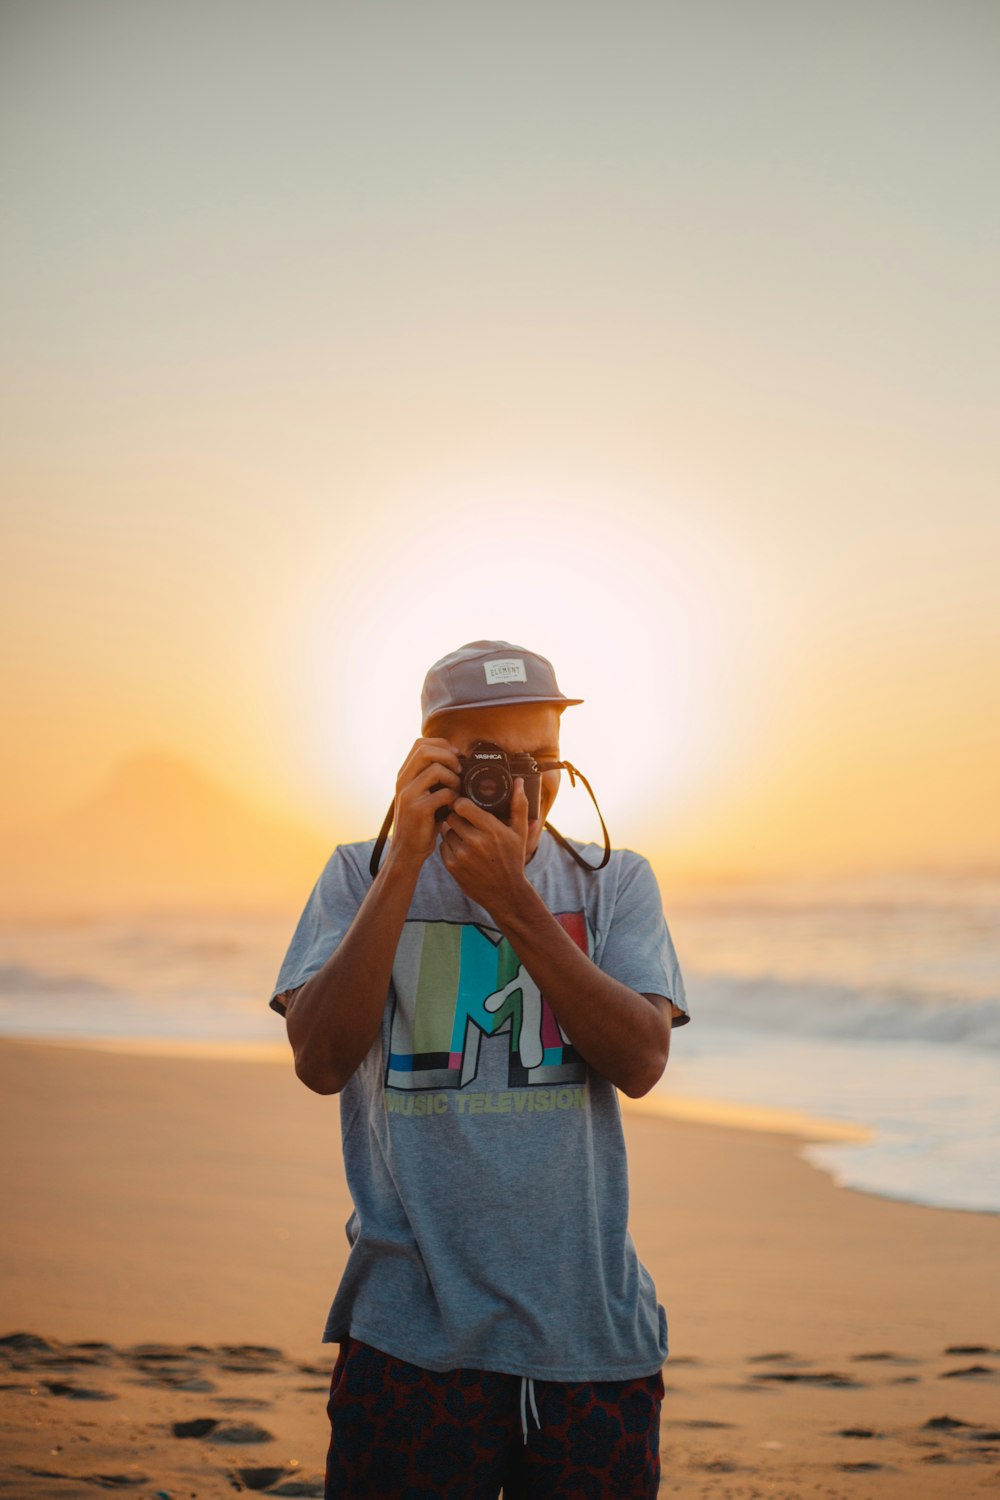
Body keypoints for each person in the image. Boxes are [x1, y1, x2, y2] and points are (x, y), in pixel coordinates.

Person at [269, 640, 690, 1499]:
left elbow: (643, 1060)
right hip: (411, 1332)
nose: (523, 786)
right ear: (434, 758)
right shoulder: (358, 874)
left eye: (546, 762)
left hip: (591, 1332)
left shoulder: (615, 884)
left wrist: (514, 900)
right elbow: (318, 1060)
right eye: (496, 761)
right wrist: (406, 868)